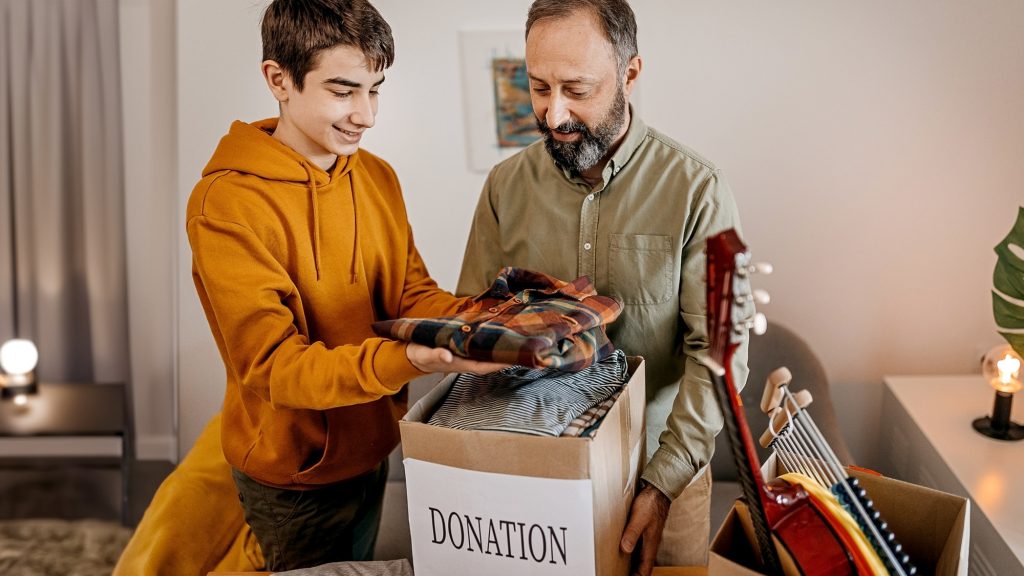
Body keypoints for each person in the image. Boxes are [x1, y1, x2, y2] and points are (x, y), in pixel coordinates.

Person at [185, 0, 504, 570]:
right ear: (278, 79)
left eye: (375, 89)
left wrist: (485, 318)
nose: (366, 114)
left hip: (374, 449)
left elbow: (411, 295)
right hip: (295, 481)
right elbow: (274, 367)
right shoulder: (226, 206)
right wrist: (410, 359)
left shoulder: (378, 176)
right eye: (343, 90)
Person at [457, 1, 752, 574]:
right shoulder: (504, 188)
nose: (554, 113)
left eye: (577, 88)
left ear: (630, 74)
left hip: (666, 474)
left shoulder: (700, 190)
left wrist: (661, 484)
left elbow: (720, 353)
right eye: (539, 86)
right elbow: (475, 327)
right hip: (537, 472)